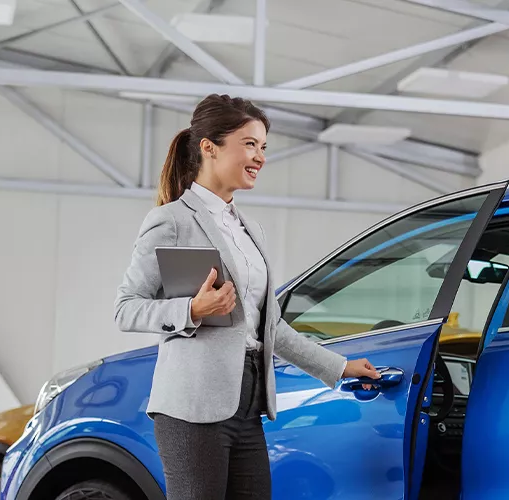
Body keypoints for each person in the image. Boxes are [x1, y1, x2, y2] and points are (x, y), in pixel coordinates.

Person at [114, 94, 381, 500]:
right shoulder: (171, 221)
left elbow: (268, 324)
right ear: (209, 147)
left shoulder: (250, 229)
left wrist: (340, 367)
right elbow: (126, 308)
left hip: (248, 403)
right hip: (191, 409)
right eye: (249, 144)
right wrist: (192, 309)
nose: (260, 157)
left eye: (263, 147)